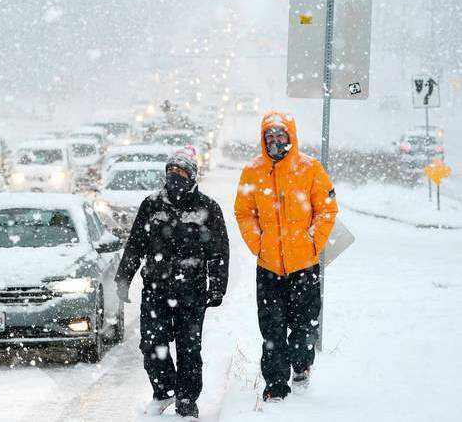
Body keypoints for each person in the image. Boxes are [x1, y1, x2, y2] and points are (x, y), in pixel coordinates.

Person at [115, 146, 229, 419]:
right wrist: (123, 279)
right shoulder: (152, 204)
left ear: (192, 175)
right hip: (156, 289)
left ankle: (187, 400)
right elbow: (135, 246)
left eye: (182, 171)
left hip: (192, 292)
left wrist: (217, 286)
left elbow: (219, 251)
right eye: (171, 171)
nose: (176, 176)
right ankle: (165, 391)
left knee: (190, 348)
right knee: (152, 344)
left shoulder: (208, 208)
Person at [234, 111, 338, 402]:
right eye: (270, 137)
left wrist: (312, 241)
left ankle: (302, 363)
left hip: (304, 265)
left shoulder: (310, 168)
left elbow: (328, 209)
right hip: (268, 267)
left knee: (304, 327)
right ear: (263, 140)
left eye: (281, 136)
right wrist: (259, 244)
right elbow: (244, 213)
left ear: (291, 137)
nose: (275, 141)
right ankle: (276, 384)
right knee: (272, 329)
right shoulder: (252, 171)